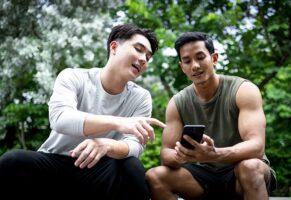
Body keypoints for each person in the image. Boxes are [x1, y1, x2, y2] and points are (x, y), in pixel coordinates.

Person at [0, 24, 166, 199]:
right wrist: (119, 122)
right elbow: (60, 118)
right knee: (13, 161)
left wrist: (107, 145)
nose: (143, 59)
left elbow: (135, 145)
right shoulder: (73, 77)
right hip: (54, 164)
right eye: (139, 50)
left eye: (148, 57)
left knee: (131, 167)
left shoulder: (140, 97)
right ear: (114, 47)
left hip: (98, 172)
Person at [146, 32, 276, 200]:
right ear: (182, 66)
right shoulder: (177, 103)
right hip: (203, 177)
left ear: (214, 58)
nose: (195, 66)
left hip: (241, 173)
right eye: (187, 61)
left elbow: (256, 146)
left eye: (200, 57)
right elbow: (166, 153)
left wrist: (215, 154)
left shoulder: (244, 90)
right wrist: (183, 154)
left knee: (250, 167)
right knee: (155, 176)